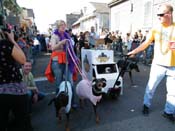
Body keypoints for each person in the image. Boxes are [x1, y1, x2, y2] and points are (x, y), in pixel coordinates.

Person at [128, 4, 175, 122]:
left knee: (173, 93)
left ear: (169, 14)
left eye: (161, 14)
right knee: (151, 87)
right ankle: (146, 105)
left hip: (173, 67)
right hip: (158, 65)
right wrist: (135, 51)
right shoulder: (156, 28)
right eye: (157, 14)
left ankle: (168, 112)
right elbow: (146, 43)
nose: (158, 17)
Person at [0, 15, 33, 131]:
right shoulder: (4, 44)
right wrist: (12, 40)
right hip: (13, 89)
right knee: (23, 123)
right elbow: (23, 59)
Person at [45, 20, 78, 108]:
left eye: (64, 25)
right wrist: (61, 43)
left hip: (67, 60)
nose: (63, 27)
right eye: (61, 25)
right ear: (58, 26)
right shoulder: (54, 36)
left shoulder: (67, 35)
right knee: (59, 83)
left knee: (70, 82)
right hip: (57, 61)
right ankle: (58, 102)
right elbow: (52, 48)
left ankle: (72, 101)